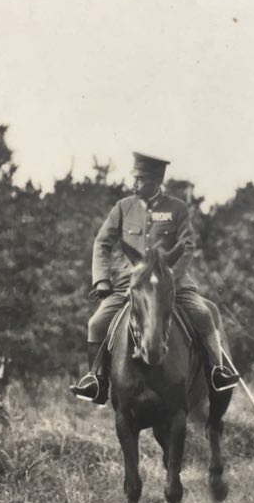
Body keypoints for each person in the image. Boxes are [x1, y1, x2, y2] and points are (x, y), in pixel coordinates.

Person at [70, 152, 241, 404]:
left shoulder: (177, 208)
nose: (134, 184)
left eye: (140, 179)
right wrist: (102, 280)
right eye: (134, 178)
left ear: (155, 181)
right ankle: (97, 381)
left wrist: (171, 276)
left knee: (204, 314)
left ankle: (216, 371)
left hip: (173, 284)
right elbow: (101, 243)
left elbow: (188, 245)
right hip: (131, 285)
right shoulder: (123, 207)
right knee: (96, 323)